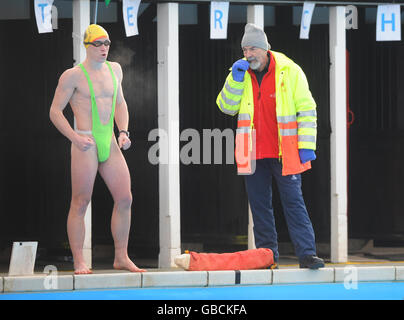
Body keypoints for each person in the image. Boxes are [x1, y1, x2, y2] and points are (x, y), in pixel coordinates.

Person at [216, 23, 324, 269]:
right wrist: (235, 78)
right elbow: (226, 106)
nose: (248, 54)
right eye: (245, 50)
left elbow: (307, 109)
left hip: (285, 151)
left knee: (294, 203)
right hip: (252, 152)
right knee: (259, 207)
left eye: (253, 48)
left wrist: (307, 145)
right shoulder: (239, 73)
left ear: (265, 49)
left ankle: (307, 255)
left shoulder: (290, 70)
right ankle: (268, 257)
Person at [49, 24, 146, 274]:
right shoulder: (72, 75)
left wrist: (123, 132)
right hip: (85, 142)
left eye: (107, 44)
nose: (104, 48)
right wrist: (74, 137)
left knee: (125, 198)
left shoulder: (115, 70)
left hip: (110, 141)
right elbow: (55, 111)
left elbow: (121, 104)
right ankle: (80, 261)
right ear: (87, 45)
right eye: (98, 44)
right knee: (81, 202)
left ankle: (121, 257)